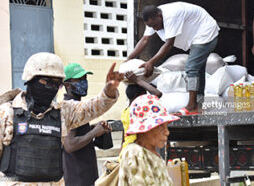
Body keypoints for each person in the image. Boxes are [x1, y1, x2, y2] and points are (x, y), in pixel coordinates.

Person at [0, 52, 123, 185]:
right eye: (47, 82)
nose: (52, 88)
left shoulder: (63, 112)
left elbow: (95, 106)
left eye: (56, 84)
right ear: (31, 79)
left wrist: (109, 89)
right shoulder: (7, 112)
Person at [127, 2, 220, 113]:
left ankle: (191, 106)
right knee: (198, 69)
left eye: (155, 25)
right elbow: (145, 40)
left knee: (191, 68)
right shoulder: (154, 19)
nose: (155, 29)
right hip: (196, 37)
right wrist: (128, 59)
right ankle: (198, 104)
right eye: (152, 27)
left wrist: (151, 62)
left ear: (159, 16)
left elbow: (169, 43)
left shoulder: (171, 16)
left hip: (206, 33)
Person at [62, 63, 112, 186]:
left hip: (85, 175)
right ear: (67, 85)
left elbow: (74, 131)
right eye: (79, 80)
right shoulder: (70, 108)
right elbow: (70, 145)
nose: (84, 82)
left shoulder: (77, 106)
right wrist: (94, 133)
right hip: (78, 177)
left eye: (85, 79)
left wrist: (92, 127)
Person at [118, 94, 180, 186]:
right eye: (160, 127)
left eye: (166, 126)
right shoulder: (135, 153)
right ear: (144, 130)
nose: (167, 132)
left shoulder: (152, 154)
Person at [119, 71, 162, 160]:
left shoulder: (126, 111)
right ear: (137, 96)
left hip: (126, 151)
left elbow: (124, 137)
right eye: (144, 94)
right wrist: (137, 80)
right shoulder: (138, 109)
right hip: (135, 154)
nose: (146, 97)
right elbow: (157, 94)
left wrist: (120, 154)